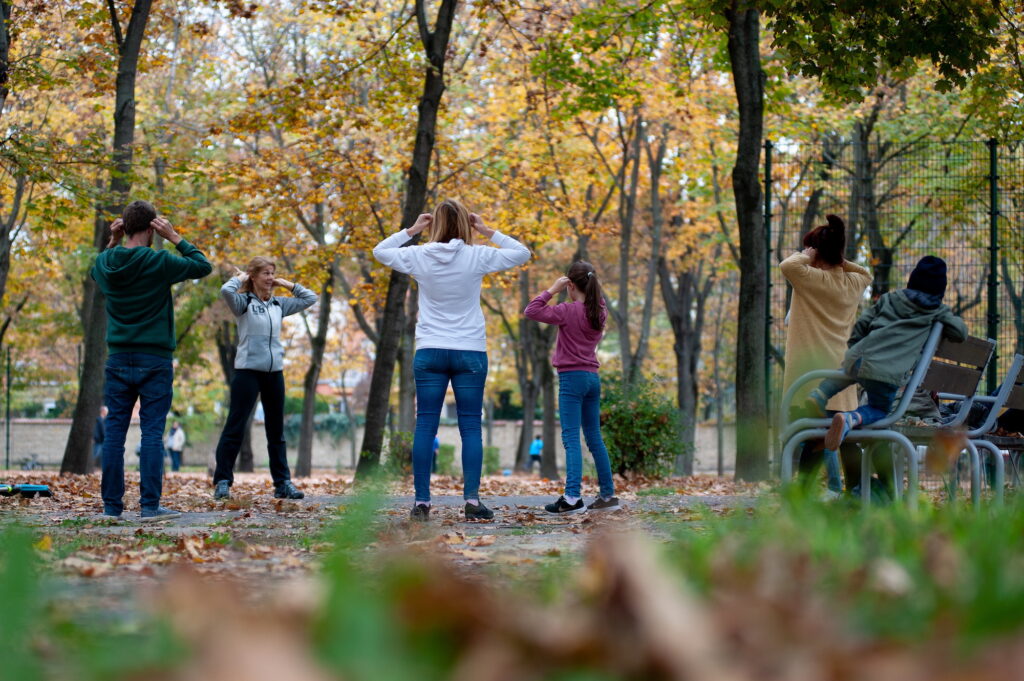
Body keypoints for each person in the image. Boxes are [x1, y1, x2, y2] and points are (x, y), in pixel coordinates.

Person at [373, 200, 531, 521]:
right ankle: (472, 503)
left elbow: (381, 251)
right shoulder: (477, 255)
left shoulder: (419, 255)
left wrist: (413, 230)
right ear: (464, 224)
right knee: (471, 426)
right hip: (470, 351)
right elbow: (521, 253)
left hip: (430, 350)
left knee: (425, 425)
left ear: (435, 226)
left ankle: (421, 503)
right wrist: (486, 230)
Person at [807, 255, 968, 497]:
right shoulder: (936, 310)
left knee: (845, 373)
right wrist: (945, 315)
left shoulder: (891, 298)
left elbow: (863, 322)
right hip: (888, 373)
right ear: (940, 290)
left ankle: (820, 394)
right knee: (879, 410)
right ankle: (851, 419)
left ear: (912, 280)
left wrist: (854, 347)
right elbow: (960, 332)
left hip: (860, 356)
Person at [92, 200, 212, 522]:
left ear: (124, 226)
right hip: (155, 358)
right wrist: (174, 237)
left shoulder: (106, 262)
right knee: (152, 432)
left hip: (117, 358)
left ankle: (111, 508)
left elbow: (97, 269)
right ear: (151, 228)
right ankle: (149, 507)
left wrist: (113, 241)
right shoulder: (158, 261)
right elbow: (202, 266)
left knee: (114, 433)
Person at [779, 215, 871, 496]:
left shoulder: (808, 277)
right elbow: (867, 273)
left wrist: (808, 255)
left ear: (817, 253)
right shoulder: (853, 283)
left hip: (810, 377)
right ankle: (856, 491)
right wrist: (840, 260)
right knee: (844, 437)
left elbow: (787, 265)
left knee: (815, 436)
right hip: (841, 378)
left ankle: (803, 495)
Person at [212, 257, 317, 500]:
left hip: (274, 373)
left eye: (272, 273)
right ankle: (223, 481)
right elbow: (225, 290)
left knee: (276, 430)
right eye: (266, 274)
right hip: (247, 372)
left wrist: (285, 283)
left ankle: (283, 483)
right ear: (253, 276)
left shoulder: (279, 304)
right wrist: (240, 278)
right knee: (235, 427)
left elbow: (310, 298)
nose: (270, 278)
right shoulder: (243, 302)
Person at [524, 262, 619, 514]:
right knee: (594, 439)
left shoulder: (567, 310)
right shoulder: (600, 311)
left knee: (570, 439)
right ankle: (608, 495)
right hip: (592, 378)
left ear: (571, 286)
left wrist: (551, 290)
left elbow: (531, 310)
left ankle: (572, 497)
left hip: (571, 378)